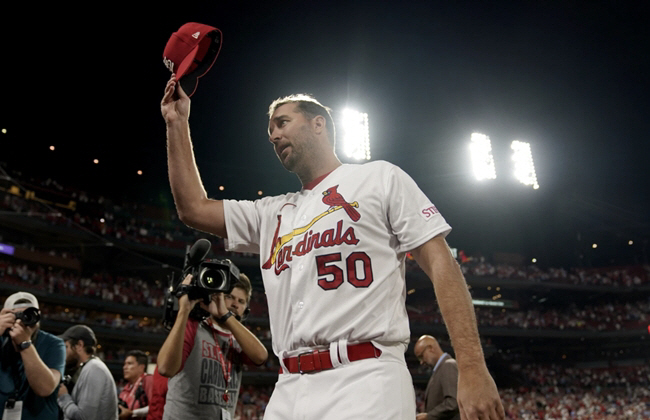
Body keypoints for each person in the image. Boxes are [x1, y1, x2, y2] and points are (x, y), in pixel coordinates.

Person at [161, 75, 504, 419]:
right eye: (270, 130)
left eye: (282, 123)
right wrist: (177, 123)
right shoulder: (272, 212)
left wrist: (472, 366)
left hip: (366, 376)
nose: (273, 135)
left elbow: (442, 264)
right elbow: (193, 208)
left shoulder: (379, 178)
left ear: (318, 124)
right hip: (289, 385)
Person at [157, 272, 267, 420]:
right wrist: (184, 311)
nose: (235, 304)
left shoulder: (240, 338)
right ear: (216, 297)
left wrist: (225, 315)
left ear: (246, 309)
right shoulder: (194, 326)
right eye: (229, 297)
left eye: (241, 301)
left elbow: (261, 357)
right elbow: (165, 368)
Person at [0, 292, 65, 420]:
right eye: (17, 315)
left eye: (28, 315)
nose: (22, 321)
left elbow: (45, 388)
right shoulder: (1, 340)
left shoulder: (54, 344)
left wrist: (25, 344)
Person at [57, 325, 118, 420]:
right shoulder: (88, 367)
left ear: (79, 345)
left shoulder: (94, 368)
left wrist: (63, 396)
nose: (64, 353)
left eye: (66, 347)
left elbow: (84, 417)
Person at [414, 335, 460, 420]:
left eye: (421, 356)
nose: (421, 362)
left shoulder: (448, 365)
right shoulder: (439, 369)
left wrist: (428, 416)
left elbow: (453, 402)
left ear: (430, 348)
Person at [118, 350, 153, 419]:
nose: (125, 367)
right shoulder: (127, 387)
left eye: (129, 364)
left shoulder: (148, 380)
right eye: (124, 364)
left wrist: (132, 413)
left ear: (141, 367)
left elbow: (156, 406)